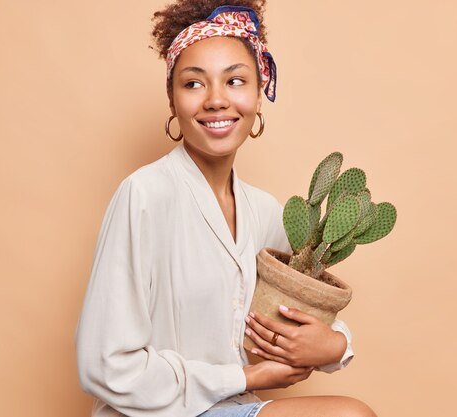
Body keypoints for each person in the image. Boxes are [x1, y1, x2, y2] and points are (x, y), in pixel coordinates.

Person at [75, 1, 377, 416]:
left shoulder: (266, 211)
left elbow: (298, 307)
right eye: (194, 84)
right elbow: (103, 364)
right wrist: (246, 378)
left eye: (235, 81)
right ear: (172, 100)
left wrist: (336, 344)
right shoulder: (144, 195)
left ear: (258, 94)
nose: (216, 100)